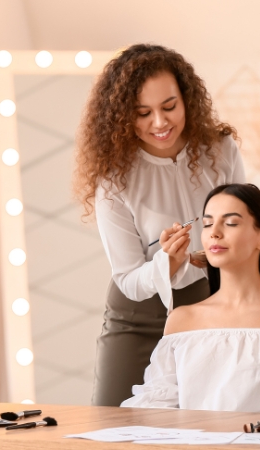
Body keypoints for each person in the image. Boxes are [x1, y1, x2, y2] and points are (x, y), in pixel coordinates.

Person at [74, 44, 245, 406]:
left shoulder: (220, 150)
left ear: (187, 99)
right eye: (142, 112)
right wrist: (166, 264)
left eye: (169, 107)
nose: (160, 123)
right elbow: (128, 279)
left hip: (207, 307)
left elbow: (245, 230)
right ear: (123, 116)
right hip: (135, 319)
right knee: (111, 424)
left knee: (205, 426)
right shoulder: (114, 177)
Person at [121, 184, 260, 413]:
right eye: (208, 223)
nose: (214, 232)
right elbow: (155, 410)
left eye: (231, 223)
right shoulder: (181, 320)